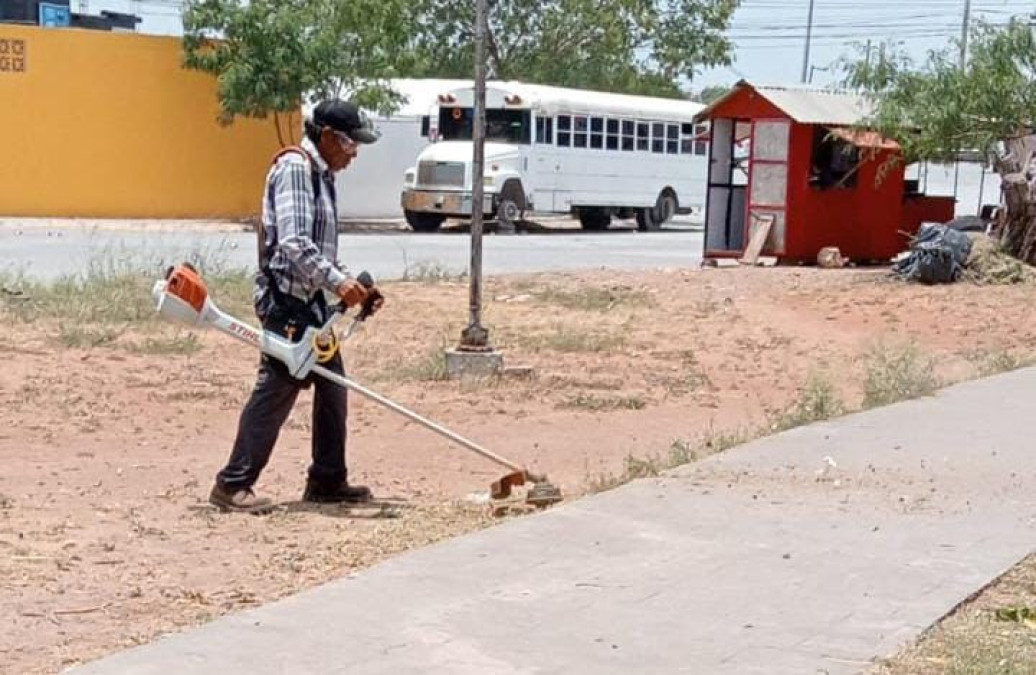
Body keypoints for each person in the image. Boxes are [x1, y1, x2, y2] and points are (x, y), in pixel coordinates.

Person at [209, 99, 383, 513]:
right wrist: (339, 283)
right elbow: (292, 244)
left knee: (332, 384)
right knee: (278, 386)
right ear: (326, 137)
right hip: (286, 301)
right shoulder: (296, 169)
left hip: (313, 303)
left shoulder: (324, 177)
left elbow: (320, 249)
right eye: (349, 143)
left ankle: (327, 479)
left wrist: (349, 283)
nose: (353, 154)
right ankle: (232, 483)